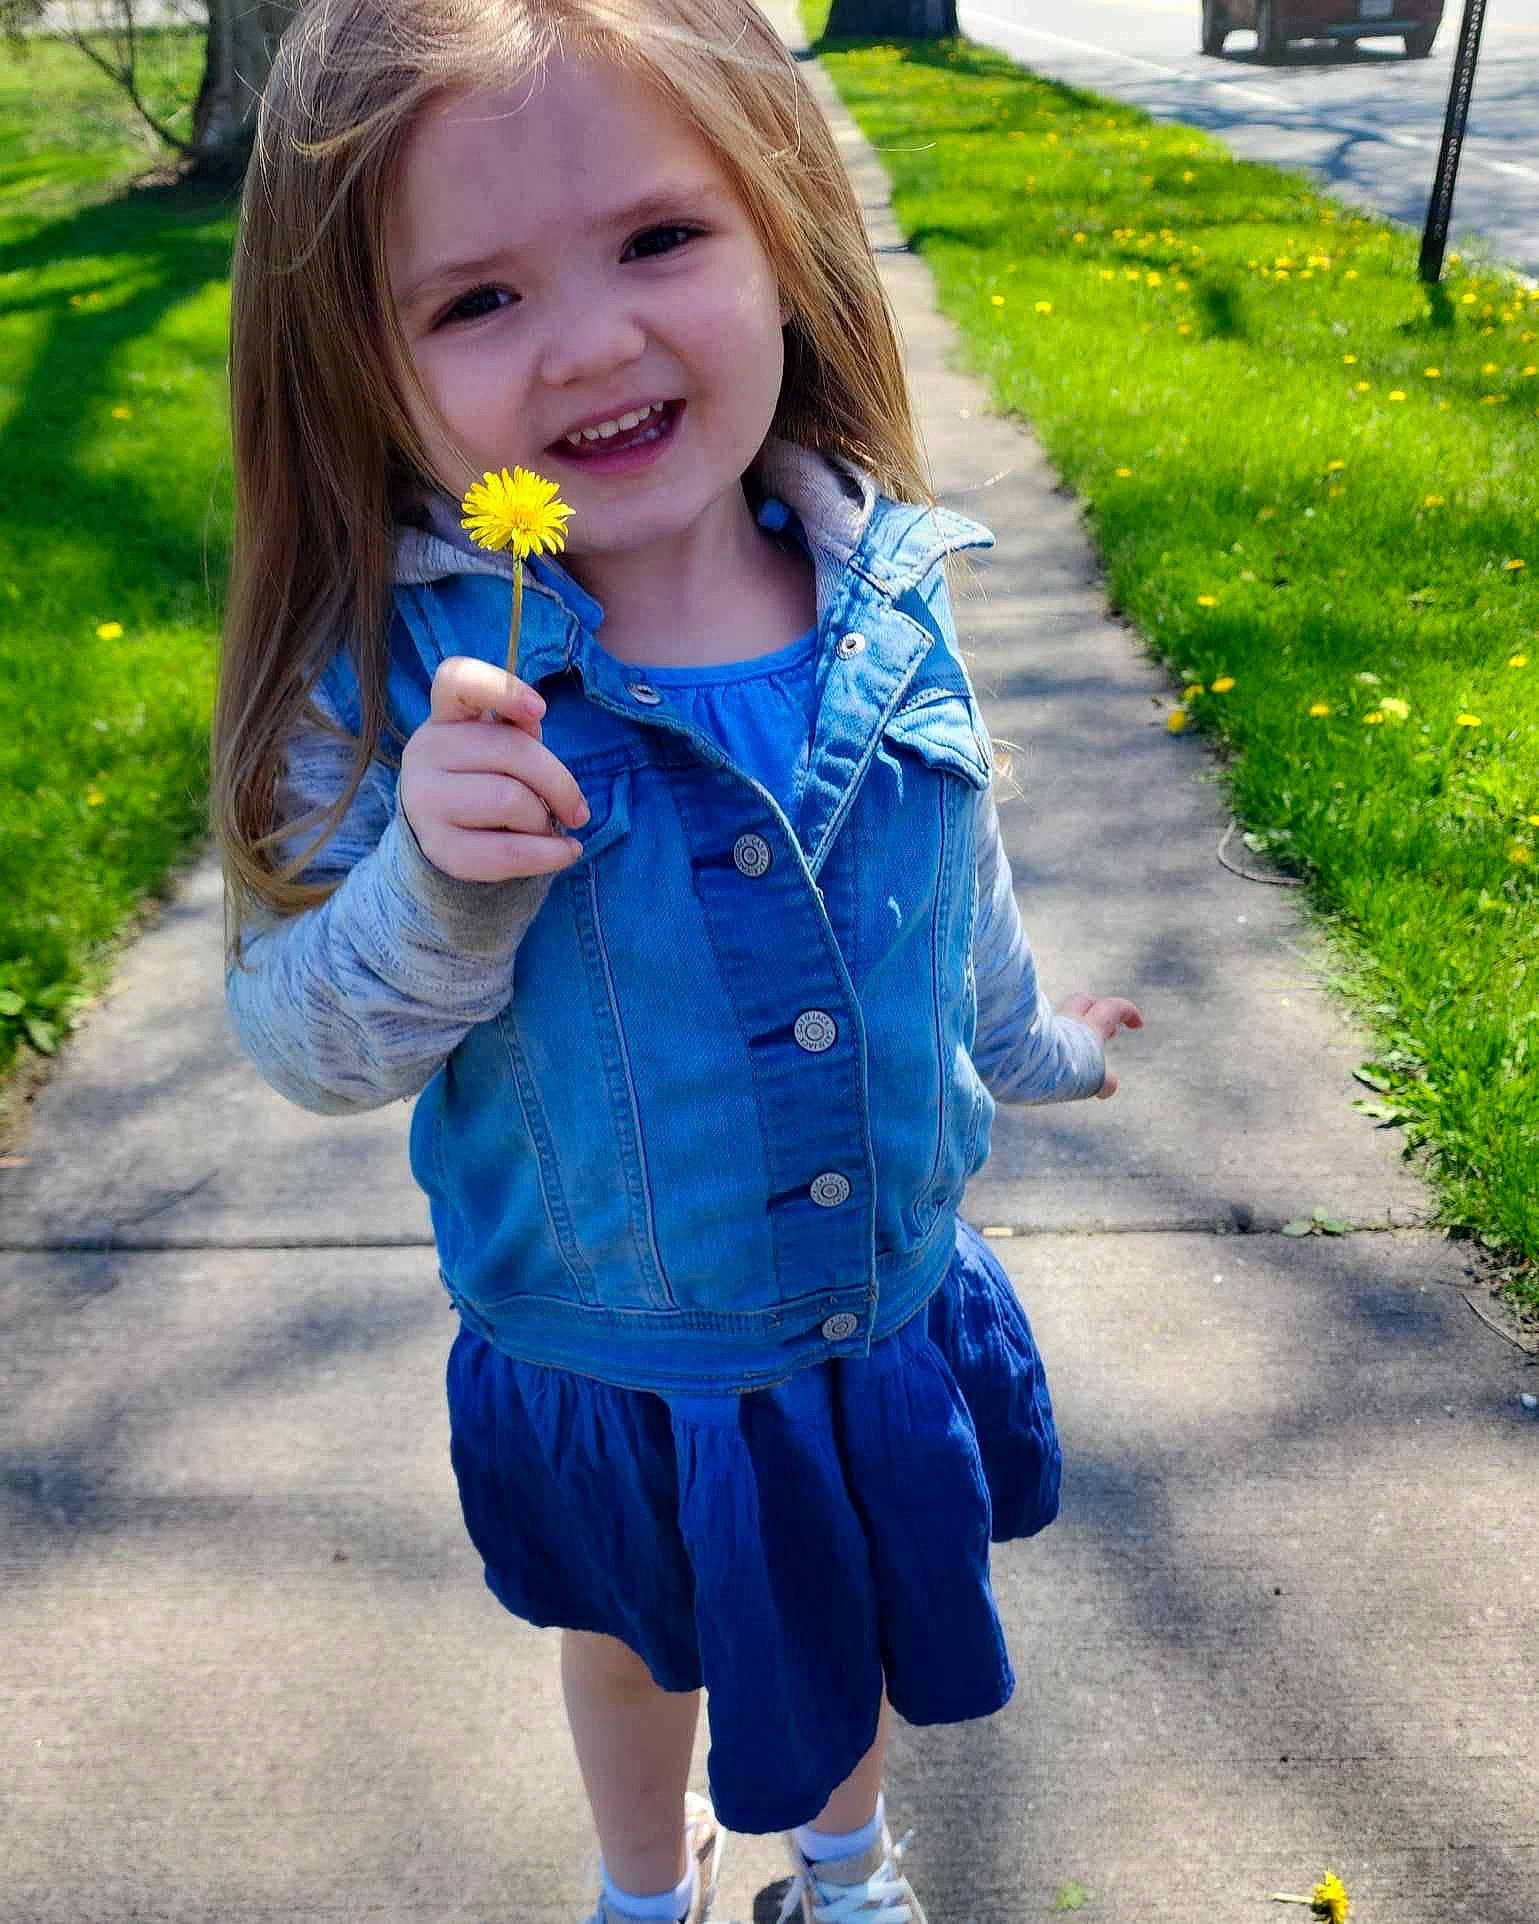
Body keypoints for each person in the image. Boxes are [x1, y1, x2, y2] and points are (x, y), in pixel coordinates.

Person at [213, 1, 1143, 1919]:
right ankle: (649, 1882)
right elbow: (304, 1035)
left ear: (785, 237)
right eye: (473, 302)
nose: (590, 343)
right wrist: (435, 885)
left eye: (658, 241)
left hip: (873, 1308)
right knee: (643, 1633)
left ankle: (846, 1859)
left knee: (854, 1600)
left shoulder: (881, 588)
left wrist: (1030, 1037)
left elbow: (949, 870)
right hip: (613, 1346)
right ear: (357, 366)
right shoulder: (397, 688)